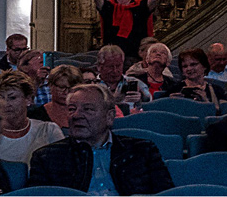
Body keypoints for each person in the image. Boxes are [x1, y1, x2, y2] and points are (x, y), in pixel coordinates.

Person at [26, 83, 174, 195]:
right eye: (72, 109)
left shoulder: (142, 151)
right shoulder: (47, 158)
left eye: (88, 109)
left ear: (109, 117)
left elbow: (167, 195)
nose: (76, 115)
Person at [0, 71, 62, 165]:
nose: (6, 104)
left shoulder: (47, 130)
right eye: (0, 98)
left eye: (12, 98)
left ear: (28, 99)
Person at [92, 44, 150, 111]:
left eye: (118, 66)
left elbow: (150, 102)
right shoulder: (92, 86)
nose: (115, 70)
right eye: (110, 66)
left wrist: (141, 99)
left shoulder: (135, 83)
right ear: (99, 67)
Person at [31, 64, 80, 129]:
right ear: (50, 86)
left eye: (71, 88)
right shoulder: (35, 115)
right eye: (61, 87)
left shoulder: (84, 114)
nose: (66, 92)